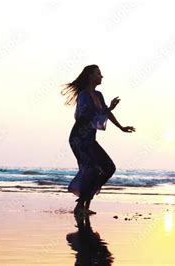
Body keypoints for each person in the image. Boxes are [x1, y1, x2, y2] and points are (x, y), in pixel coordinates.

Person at [62, 64, 135, 215]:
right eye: (98, 74)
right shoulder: (83, 95)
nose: (101, 76)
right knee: (93, 169)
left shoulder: (99, 95)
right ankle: (81, 206)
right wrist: (108, 109)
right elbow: (84, 116)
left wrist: (121, 127)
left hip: (90, 139)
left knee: (109, 168)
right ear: (90, 76)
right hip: (79, 138)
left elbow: (104, 113)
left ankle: (86, 200)